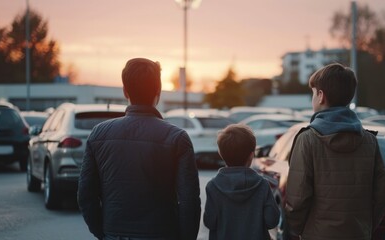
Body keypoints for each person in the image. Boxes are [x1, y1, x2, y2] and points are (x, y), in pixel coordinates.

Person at [78, 58, 201, 240]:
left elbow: (86, 195)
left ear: (125, 91)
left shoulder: (98, 134)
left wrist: (104, 233)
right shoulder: (177, 138)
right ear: (158, 92)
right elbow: (189, 201)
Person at [284, 63, 385, 240]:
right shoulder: (369, 140)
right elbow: (384, 193)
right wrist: (366, 225)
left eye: (313, 93)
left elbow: (297, 199)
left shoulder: (308, 139)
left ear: (320, 96)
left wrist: (300, 229)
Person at [203, 124, 280, 240]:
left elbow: (210, 222)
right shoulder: (262, 185)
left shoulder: (213, 186)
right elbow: (272, 221)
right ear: (251, 156)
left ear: (221, 154)